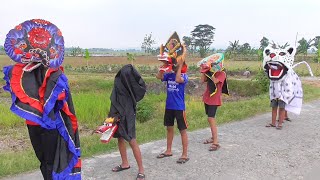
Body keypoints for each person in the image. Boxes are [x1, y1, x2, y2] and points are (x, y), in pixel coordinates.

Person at [2, 19, 81, 179]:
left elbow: (60, 99)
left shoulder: (50, 73)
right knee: (46, 162)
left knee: (47, 162)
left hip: (43, 124)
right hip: (42, 124)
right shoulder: (25, 71)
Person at [107, 64, 146, 180]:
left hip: (128, 114)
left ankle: (141, 170)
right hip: (116, 112)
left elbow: (135, 97)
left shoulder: (132, 86)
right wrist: (112, 117)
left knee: (132, 140)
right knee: (120, 137)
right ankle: (125, 163)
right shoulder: (119, 84)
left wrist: (123, 115)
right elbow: (114, 100)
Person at [155, 44, 189, 164]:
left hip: (179, 107)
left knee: (182, 130)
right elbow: (158, 76)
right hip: (169, 106)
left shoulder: (184, 76)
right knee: (169, 128)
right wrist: (164, 66)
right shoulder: (168, 75)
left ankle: (184, 154)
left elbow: (178, 79)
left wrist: (179, 66)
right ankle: (168, 150)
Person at [198, 53, 229, 151]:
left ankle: (216, 142)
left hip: (214, 99)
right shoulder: (210, 71)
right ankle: (212, 138)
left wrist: (209, 69)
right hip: (207, 97)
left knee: (211, 119)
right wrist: (203, 70)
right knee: (209, 118)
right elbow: (202, 80)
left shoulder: (222, 73)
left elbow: (215, 81)